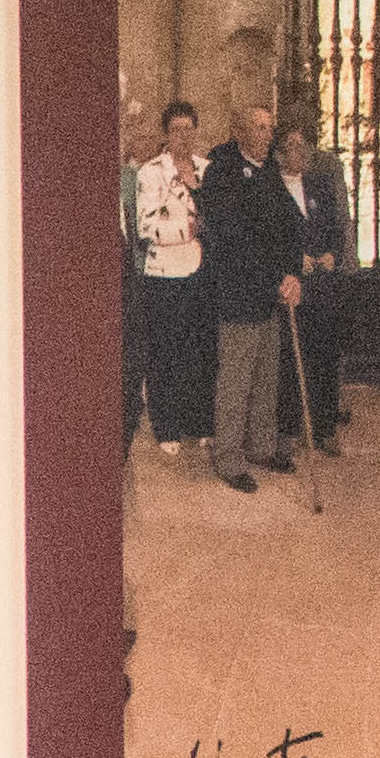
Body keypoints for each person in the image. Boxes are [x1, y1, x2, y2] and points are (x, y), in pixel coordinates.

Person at [201, 103, 304, 491]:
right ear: (239, 129)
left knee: (266, 378)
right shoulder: (222, 171)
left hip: (269, 295)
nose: (266, 134)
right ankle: (228, 460)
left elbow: (291, 225)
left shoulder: (268, 171)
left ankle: (261, 447)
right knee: (236, 381)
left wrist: (292, 273)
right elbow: (234, 240)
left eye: (269, 127)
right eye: (258, 127)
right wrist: (276, 277)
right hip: (239, 295)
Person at [126, 101, 215, 452]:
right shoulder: (151, 173)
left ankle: (200, 421)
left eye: (189, 128)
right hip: (164, 272)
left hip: (202, 271)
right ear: (166, 134)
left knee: (200, 349)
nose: (183, 136)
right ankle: (167, 427)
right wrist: (189, 227)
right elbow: (146, 226)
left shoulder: (209, 170)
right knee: (166, 351)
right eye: (176, 129)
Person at [278, 104, 348, 451]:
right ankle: (290, 427)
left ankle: (324, 427)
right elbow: (270, 238)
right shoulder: (273, 190)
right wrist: (294, 260)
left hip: (323, 287)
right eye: (292, 145)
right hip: (292, 286)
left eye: (304, 144)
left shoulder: (319, 184)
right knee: (293, 357)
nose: (299, 151)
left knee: (324, 354)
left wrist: (333, 253)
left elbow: (334, 228)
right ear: (281, 151)